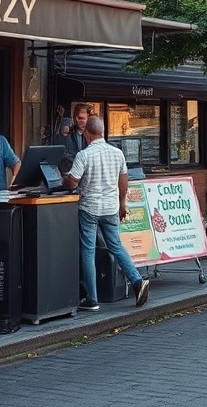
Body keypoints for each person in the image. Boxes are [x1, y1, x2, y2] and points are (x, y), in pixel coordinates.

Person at [62, 114, 150, 312]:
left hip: (89, 208)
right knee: (116, 246)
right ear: (102, 132)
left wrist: (64, 180)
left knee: (88, 251)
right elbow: (124, 180)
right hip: (111, 208)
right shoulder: (117, 152)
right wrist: (122, 203)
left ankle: (92, 299)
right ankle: (137, 280)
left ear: (87, 134)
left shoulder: (84, 155)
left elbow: (73, 181)